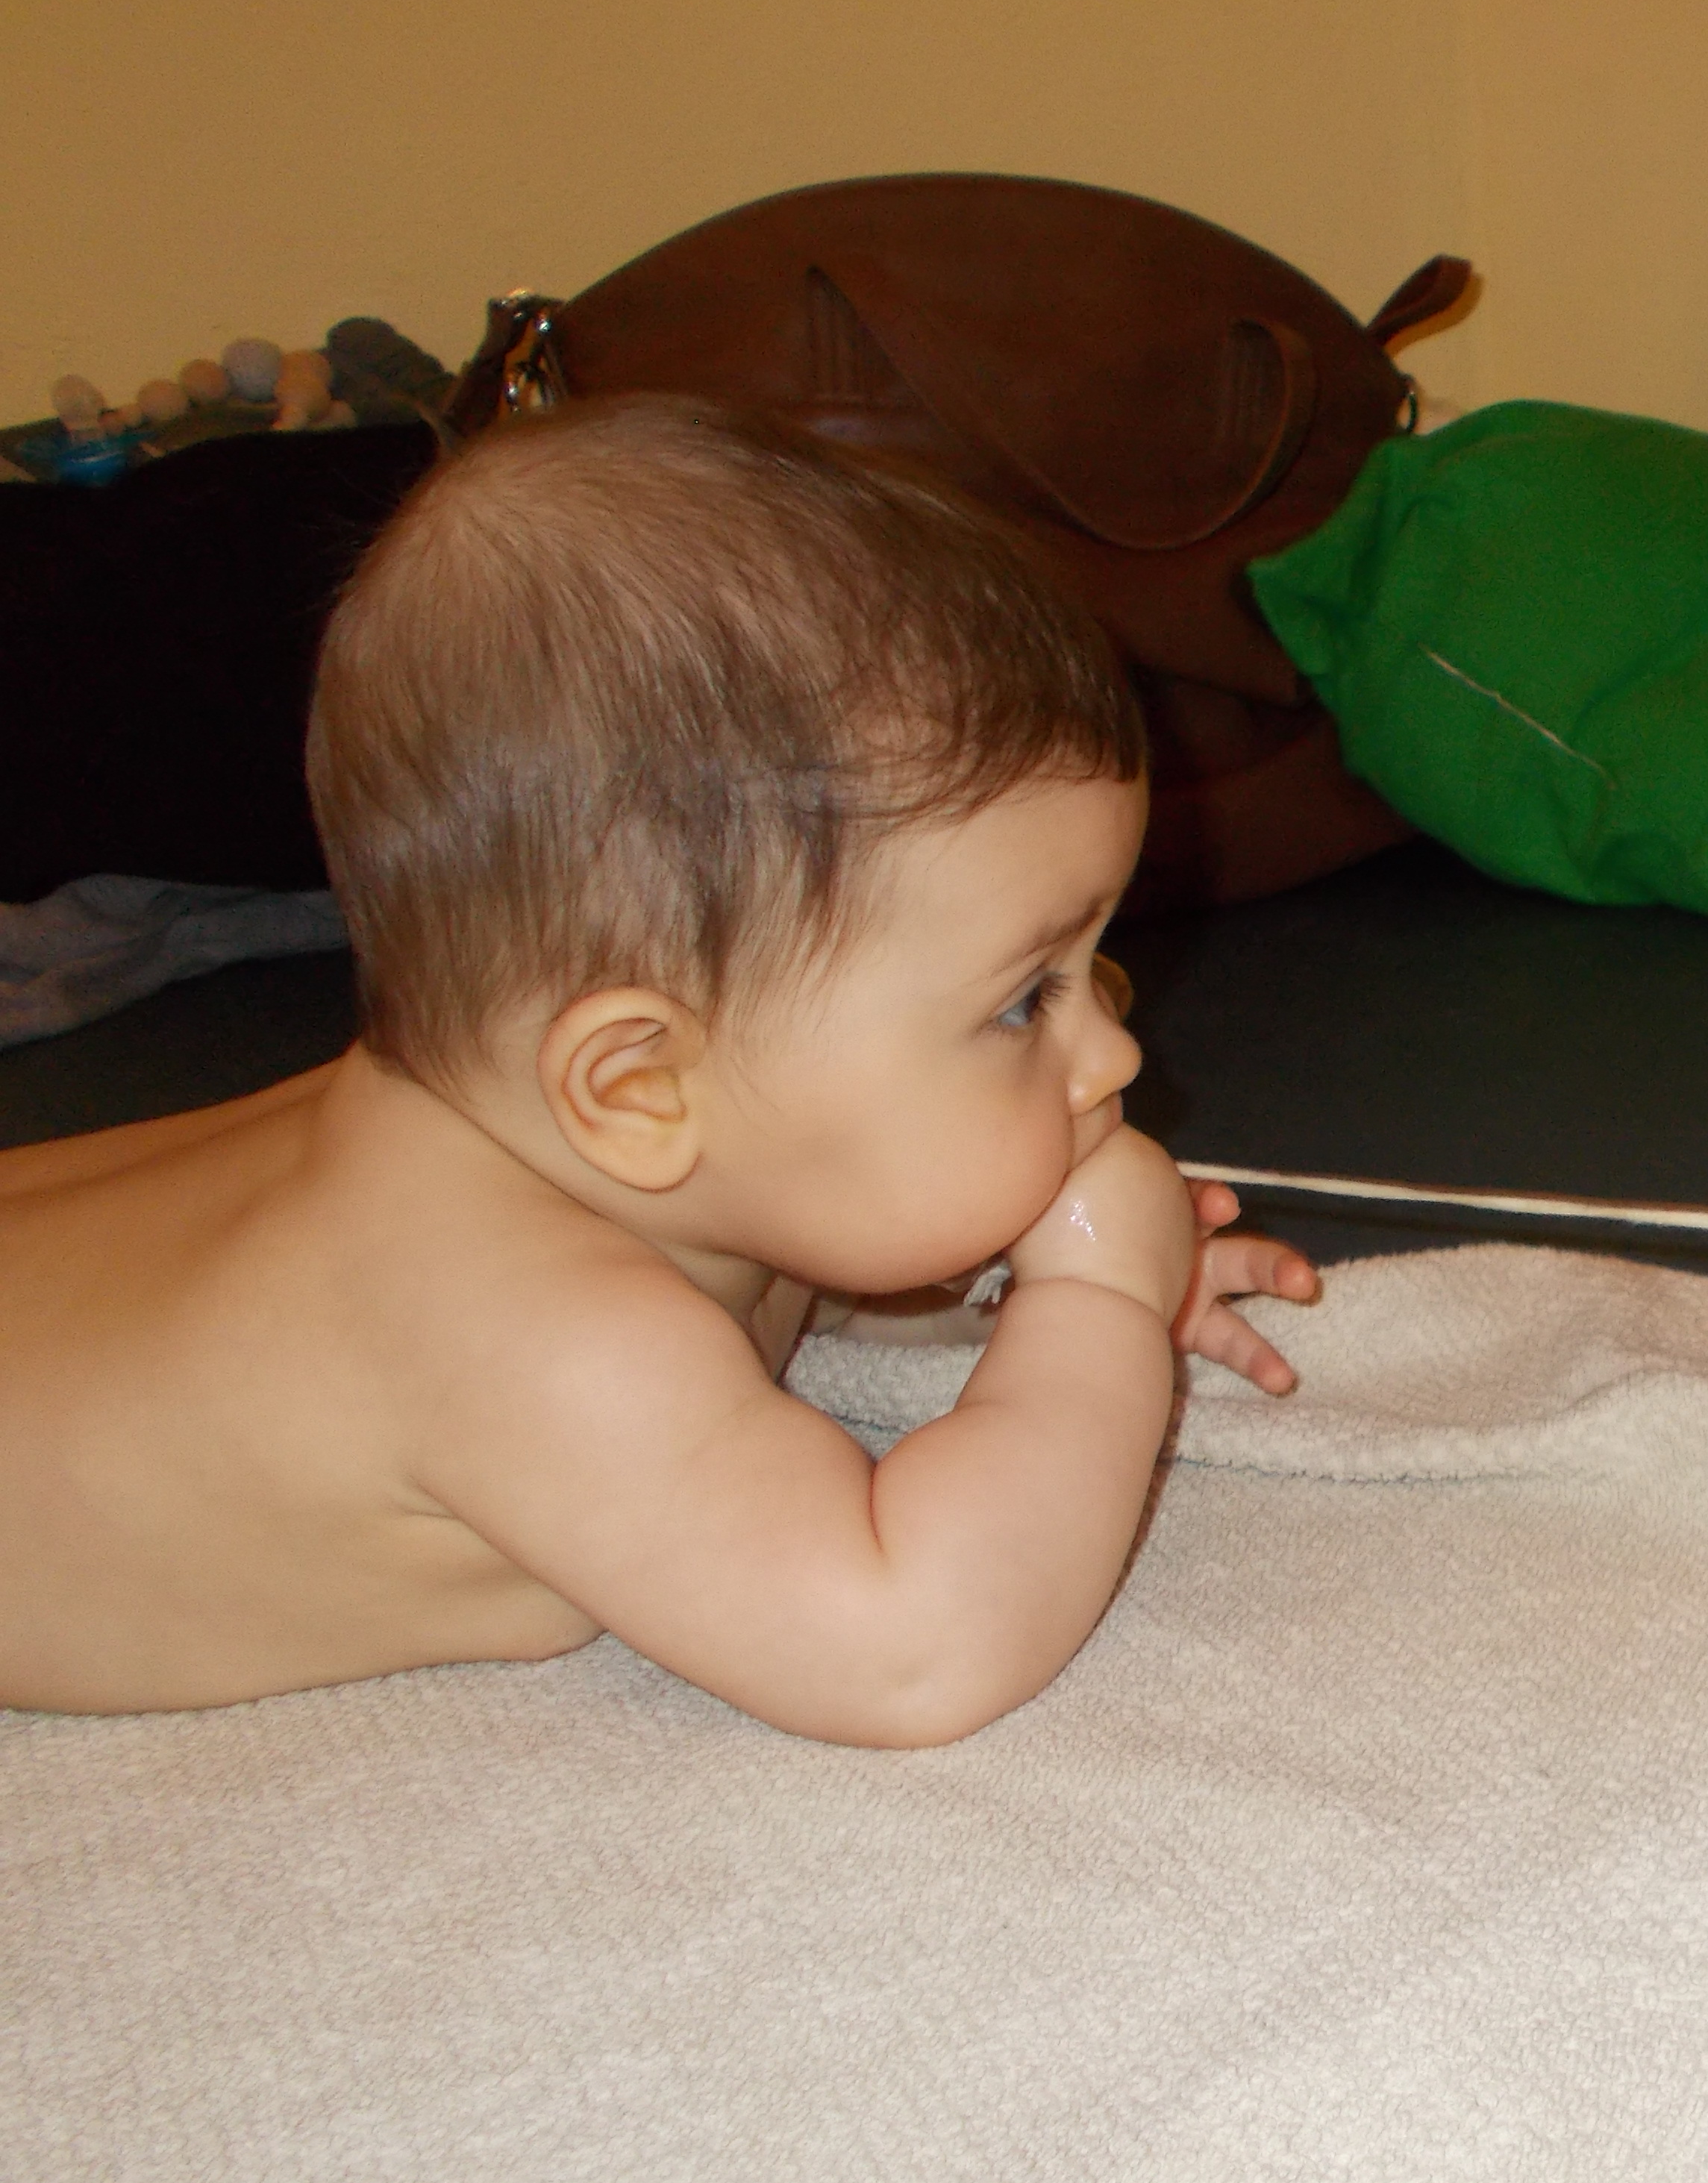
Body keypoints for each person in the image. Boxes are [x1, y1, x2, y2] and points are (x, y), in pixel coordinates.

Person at [0, 400, 1316, 1746]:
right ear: (637, 1088)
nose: (1116, 1049)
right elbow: (908, 1652)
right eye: (1022, 1001)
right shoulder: (530, 1334)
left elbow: (823, 1238)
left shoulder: (573, 1130)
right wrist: (1096, 1306)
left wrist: (1009, 1276)